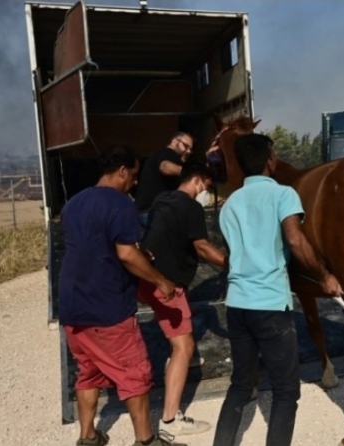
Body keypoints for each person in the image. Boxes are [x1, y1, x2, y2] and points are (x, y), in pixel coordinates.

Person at [212, 133, 344, 446]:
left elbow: (232, 253)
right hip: (269, 303)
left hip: (237, 304)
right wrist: (325, 276)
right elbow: (296, 240)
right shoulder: (283, 194)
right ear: (271, 159)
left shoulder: (229, 204)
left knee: (241, 386)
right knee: (286, 392)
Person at [58, 146, 184, 446]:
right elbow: (126, 254)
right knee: (135, 372)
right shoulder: (120, 203)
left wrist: (140, 256)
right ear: (123, 171)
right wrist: (160, 281)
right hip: (106, 307)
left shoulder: (73, 204)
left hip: (73, 305)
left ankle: (88, 437)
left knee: (87, 372)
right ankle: (146, 440)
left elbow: (95, 248)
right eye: (135, 175)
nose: (137, 182)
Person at [138, 162, 228, 438]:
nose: (206, 192)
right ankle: (169, 418)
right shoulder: (191, 207)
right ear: (198, 180)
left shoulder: (162, 199)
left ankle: (173, 369)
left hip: (146, 277)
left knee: (177, 340)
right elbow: (202, 247)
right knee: (184, 346)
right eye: (207, 186)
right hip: (167, 285)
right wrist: (233, 264)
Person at [135, 132, 194, 228]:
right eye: (186, 146)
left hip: (146, 211)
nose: (188, 151)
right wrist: (191, 173)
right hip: (153, 213)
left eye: (190, 149)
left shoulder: (158, 154)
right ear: (174, 142)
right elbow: (165, 167)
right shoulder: (168, 153)